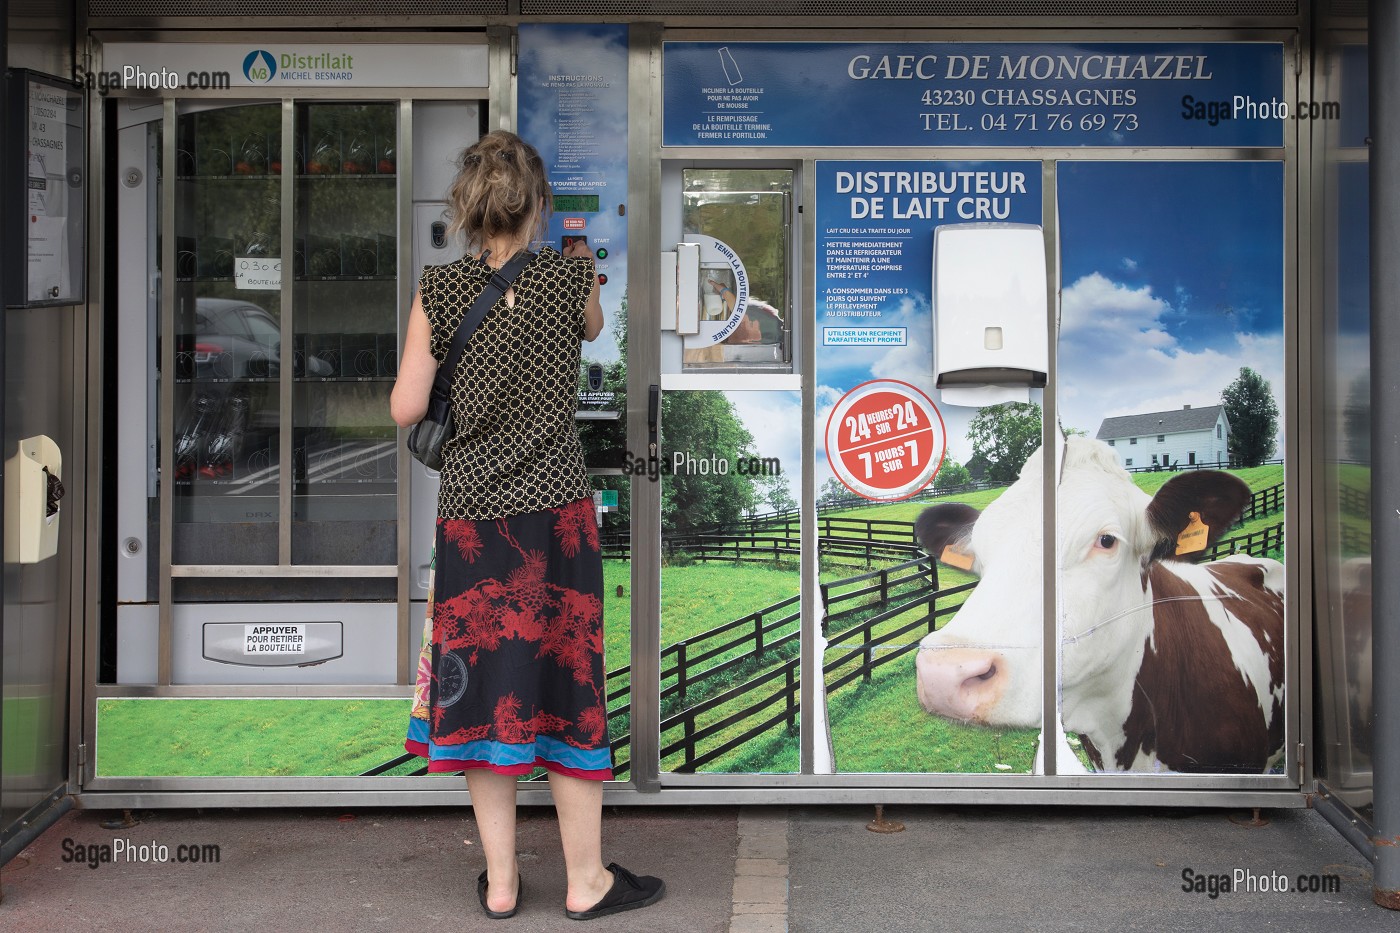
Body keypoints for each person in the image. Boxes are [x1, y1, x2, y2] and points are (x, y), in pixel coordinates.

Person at [390, 130, 664, 922]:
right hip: (557, 516)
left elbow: (407, 408)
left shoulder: (439, 289)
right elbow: (594, 328)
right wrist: (577, 265)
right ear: (538, 204)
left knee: (486, 692)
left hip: (472, 518)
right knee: (569, 687)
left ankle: (504, 883)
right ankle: (586, 881)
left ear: (467, 207)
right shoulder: (569, 279)